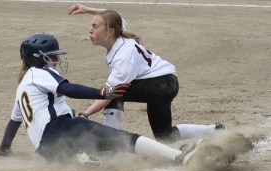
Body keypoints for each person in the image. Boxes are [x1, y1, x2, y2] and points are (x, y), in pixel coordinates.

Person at [0, 33, 203, 167]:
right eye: (52, 56)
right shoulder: (38, 73)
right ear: (37, 58)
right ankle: (179, 156)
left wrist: (4, 149)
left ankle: (81, 157)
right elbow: (68, 88)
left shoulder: (22, 88)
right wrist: (101, 93)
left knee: (110, 150)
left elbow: (14, 123)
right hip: (60, 129)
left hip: (48, 150)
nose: (57, 59)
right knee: (126, 139)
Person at [67, 4, 226, 143]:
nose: (90, 30)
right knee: (165, 137)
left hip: (160, 84)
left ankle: (109, 141)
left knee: (115, 93)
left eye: (95, 26)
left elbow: (109, 94)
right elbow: (114, 15)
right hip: (165, 82)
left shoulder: (123, 58)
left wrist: (84, 115)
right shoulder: (118, 31)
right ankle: (215, 130)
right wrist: (87, 10)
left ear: (110, 31)